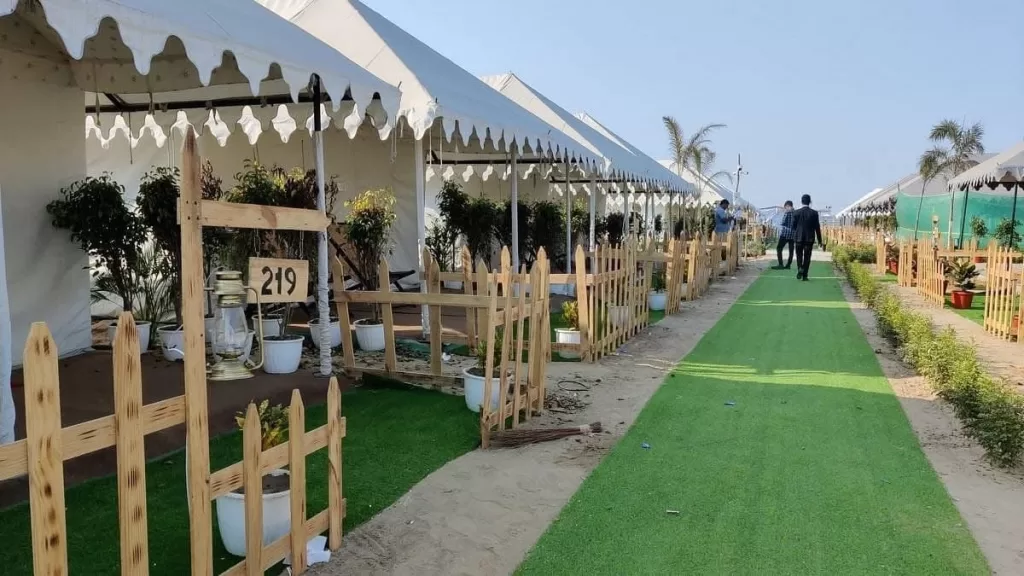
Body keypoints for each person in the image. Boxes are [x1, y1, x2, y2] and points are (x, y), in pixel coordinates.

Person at [790, 194, 823, 281]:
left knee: (799, 255)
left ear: (801, 202)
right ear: (810, 202)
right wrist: (820, 240)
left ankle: (800, 268)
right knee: (807, 257)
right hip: (809, 238)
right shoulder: (814, 213)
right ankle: (805, 276)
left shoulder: (796, 213)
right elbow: (817, 228)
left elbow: (793, 226)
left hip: (798, 238)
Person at [774, 201, 795, 269]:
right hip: (793, 235)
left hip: (785, 233)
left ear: (788, 206)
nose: (785, 209)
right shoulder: (796, 213)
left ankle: (781, 264)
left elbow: (782, 222)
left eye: (785, 207)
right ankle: (788, 265)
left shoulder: (787, 213)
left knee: (779, 248)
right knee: (791, 250)